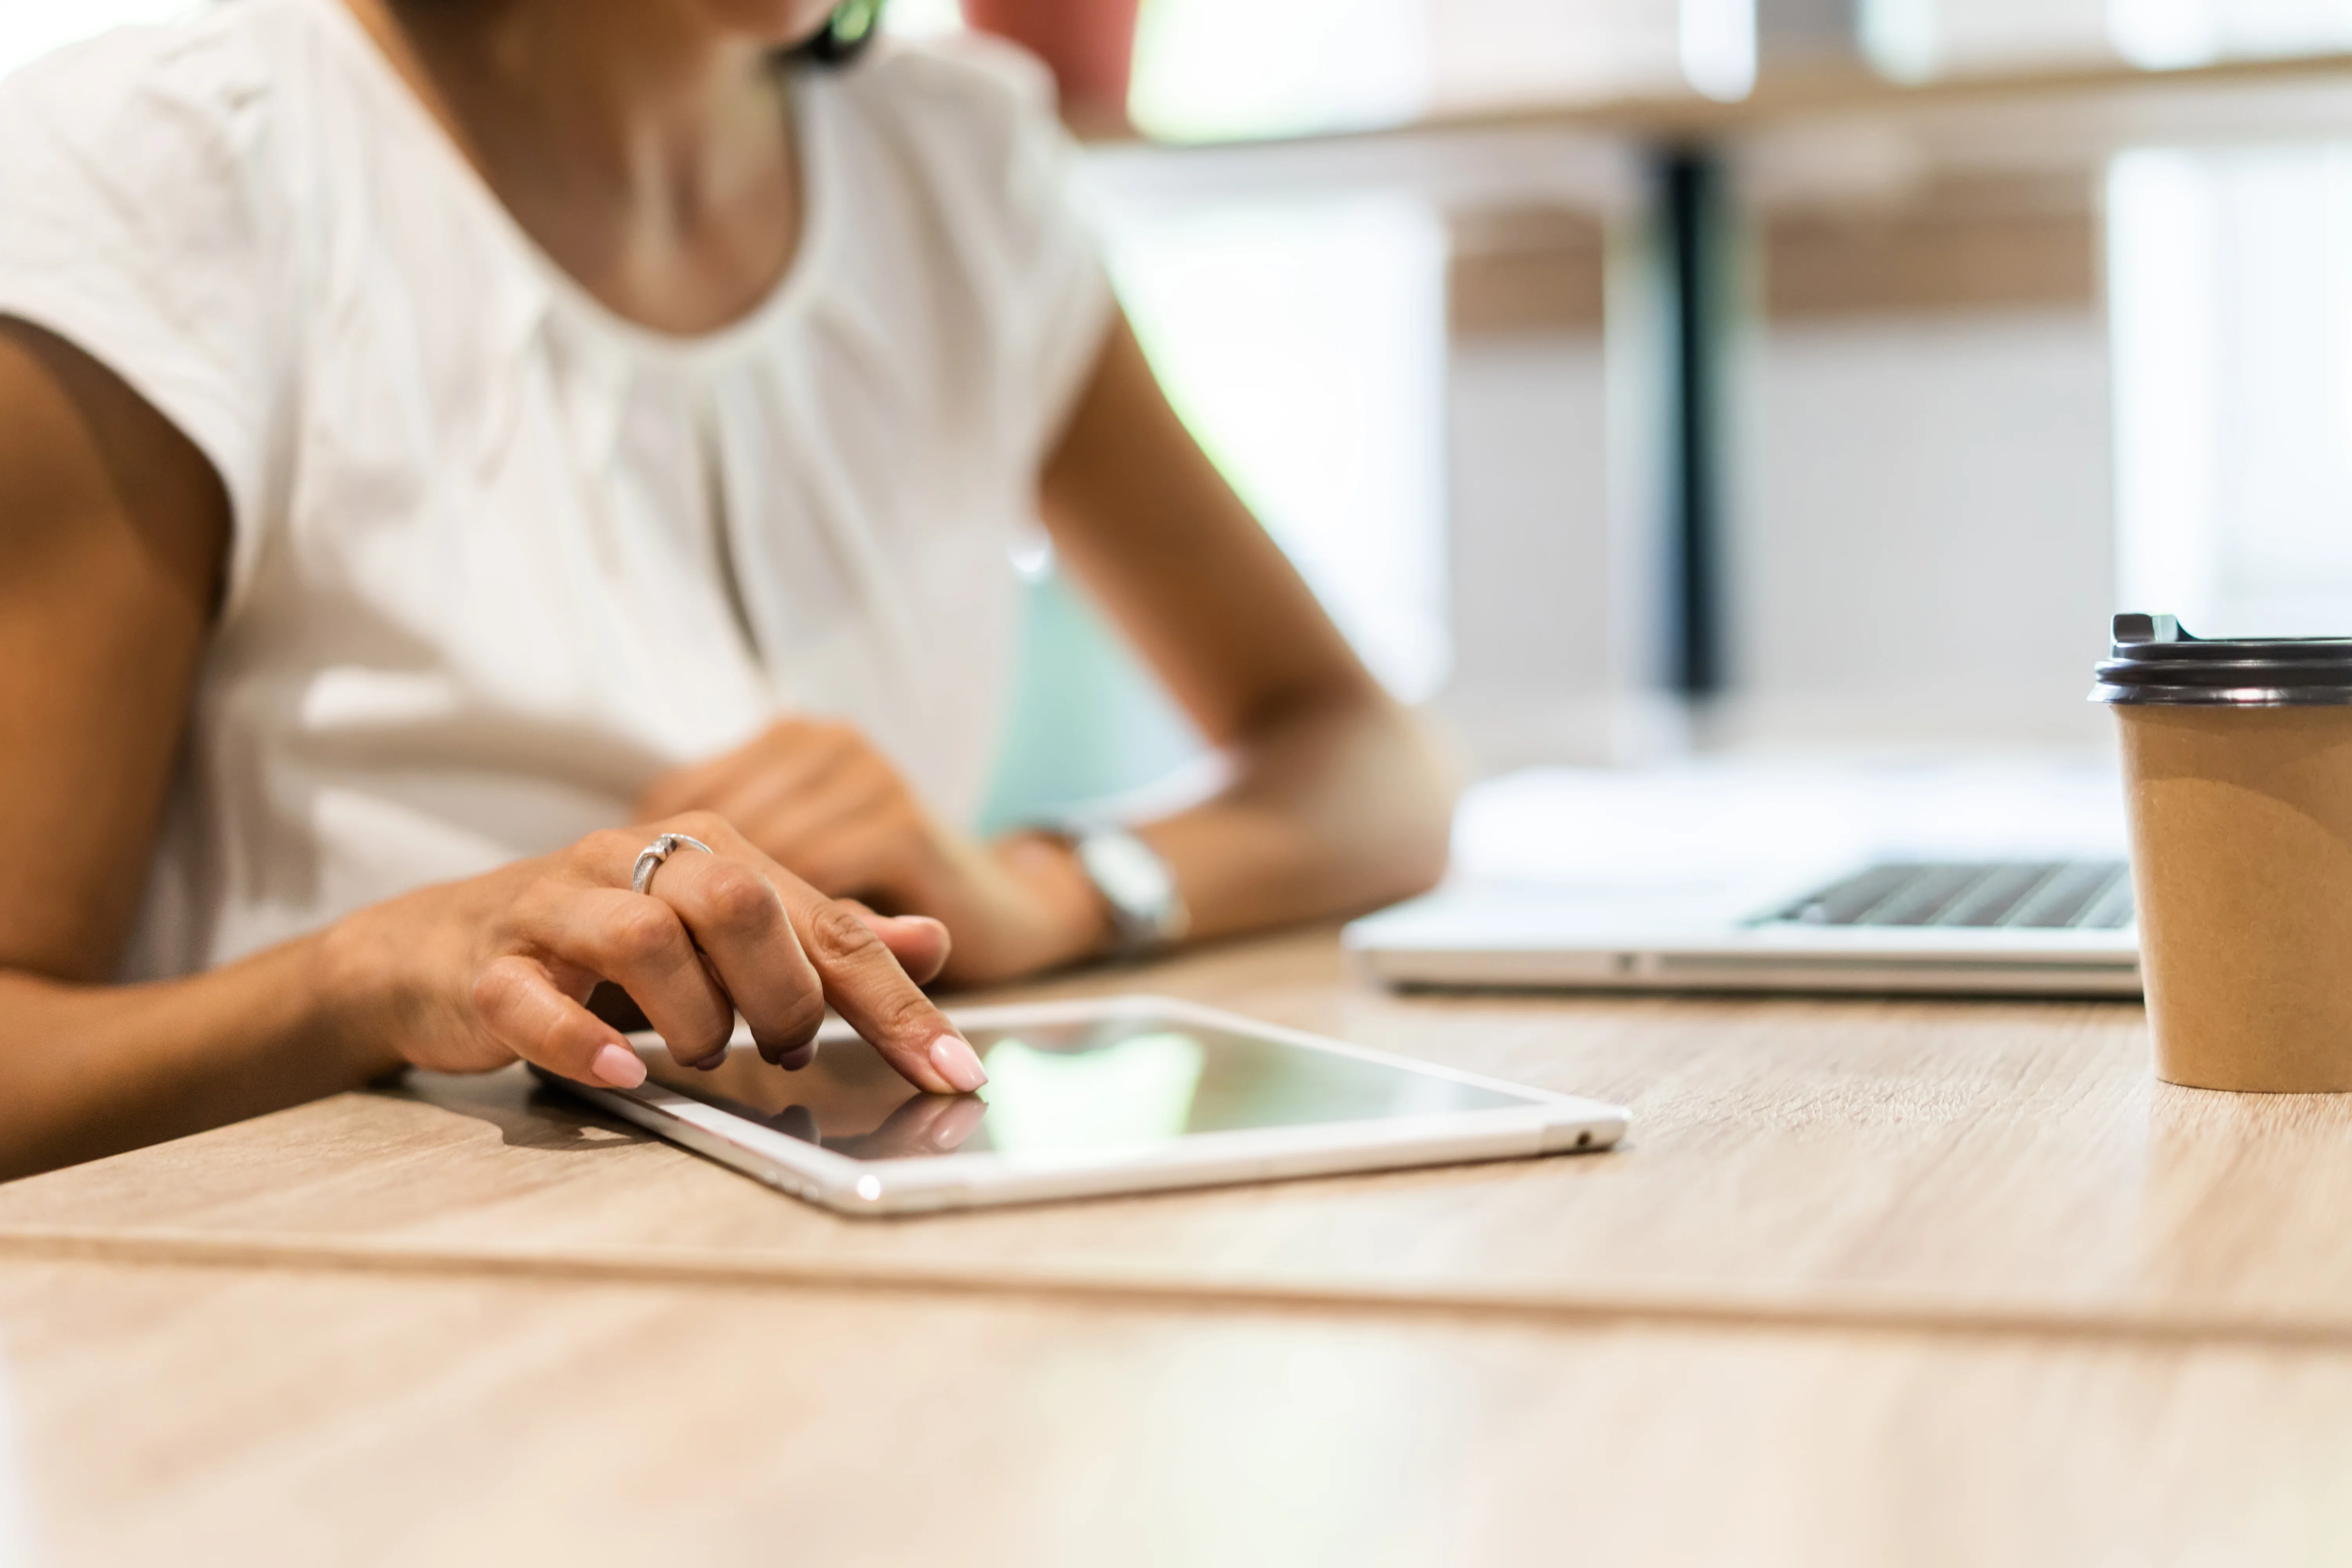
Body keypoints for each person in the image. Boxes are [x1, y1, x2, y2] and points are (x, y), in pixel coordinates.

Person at [0, 0, 1452, 1180]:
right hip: (320, 1361)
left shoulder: (958, 163)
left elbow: (1374, 764)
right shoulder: (166, 169)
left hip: (837, 1314)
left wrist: (1048, 894)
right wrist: (372, 974)